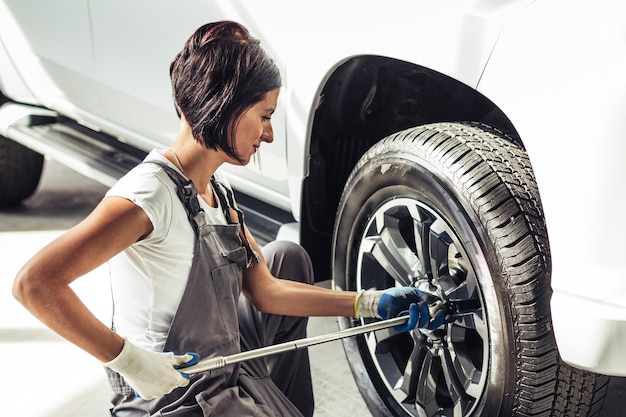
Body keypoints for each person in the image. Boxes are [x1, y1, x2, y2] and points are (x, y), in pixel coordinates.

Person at [12, 21, 443, 416]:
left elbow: (267, 292)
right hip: (170, 393)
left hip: (220, 367)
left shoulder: (217, 191)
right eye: (265, 116)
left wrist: (367, 303)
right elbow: (34, 283)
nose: (269, 134)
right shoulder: (148, 195)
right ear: (226, 106)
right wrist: (131, 362)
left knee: (287, 257)